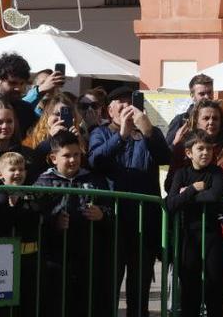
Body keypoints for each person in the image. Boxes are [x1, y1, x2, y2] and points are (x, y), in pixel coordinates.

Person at [88, 85, 170, 317]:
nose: (127, 108)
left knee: (139, 289)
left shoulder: (149, 132)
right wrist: (121, 135)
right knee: (108, 288)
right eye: (121, 104)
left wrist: (150, 133)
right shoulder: (100, 132)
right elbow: (96, 160)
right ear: (109, 109)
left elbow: (165, 158)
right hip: (111, 221)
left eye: (131, 102)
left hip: (144, 223)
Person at [35, 130, 112, 317]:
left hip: (88, 257)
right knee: (56, 305)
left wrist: (101, 214)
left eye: (76, 155)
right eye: (66, 156)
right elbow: (36, 216)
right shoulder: (43, 183)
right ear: (53, 158)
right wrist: (54, 222)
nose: (73, 160)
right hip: (55, 258)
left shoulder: (93, 179)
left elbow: (111, 210)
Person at [165, 130, 223, 317]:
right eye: (200, 148)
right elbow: (170, 204)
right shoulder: (181, 173)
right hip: (188, 236)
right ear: (189, 152)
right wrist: (192, 188)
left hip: (212, 234)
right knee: (189, 287)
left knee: (214, 286)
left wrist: (186, 196)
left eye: (209, 148)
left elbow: (215, 196)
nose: (205, 153)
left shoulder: (216, 172)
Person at [0, 151, 40, 317]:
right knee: (4, 307)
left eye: (21, 169)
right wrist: (11, 207)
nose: (18, 173)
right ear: (0, 175)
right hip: (3, 260)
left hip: (29, 257)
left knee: (28, 303)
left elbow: (35, 219)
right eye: (12, 169)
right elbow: (1, 224)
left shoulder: (30, 194)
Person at [169, 98, 223, 191]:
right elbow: (170, 184)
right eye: (206, 118)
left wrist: (220, 180)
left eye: (215, 118)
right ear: (196, 122)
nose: (211, 122)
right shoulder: (182, 148)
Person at [167, 74, 214, 146]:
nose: (207, 97)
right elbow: (166, 152)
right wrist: (176, 142)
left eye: (209, 92)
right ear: (192, 96)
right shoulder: (180, 121)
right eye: (202, 94)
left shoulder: (222, 119)